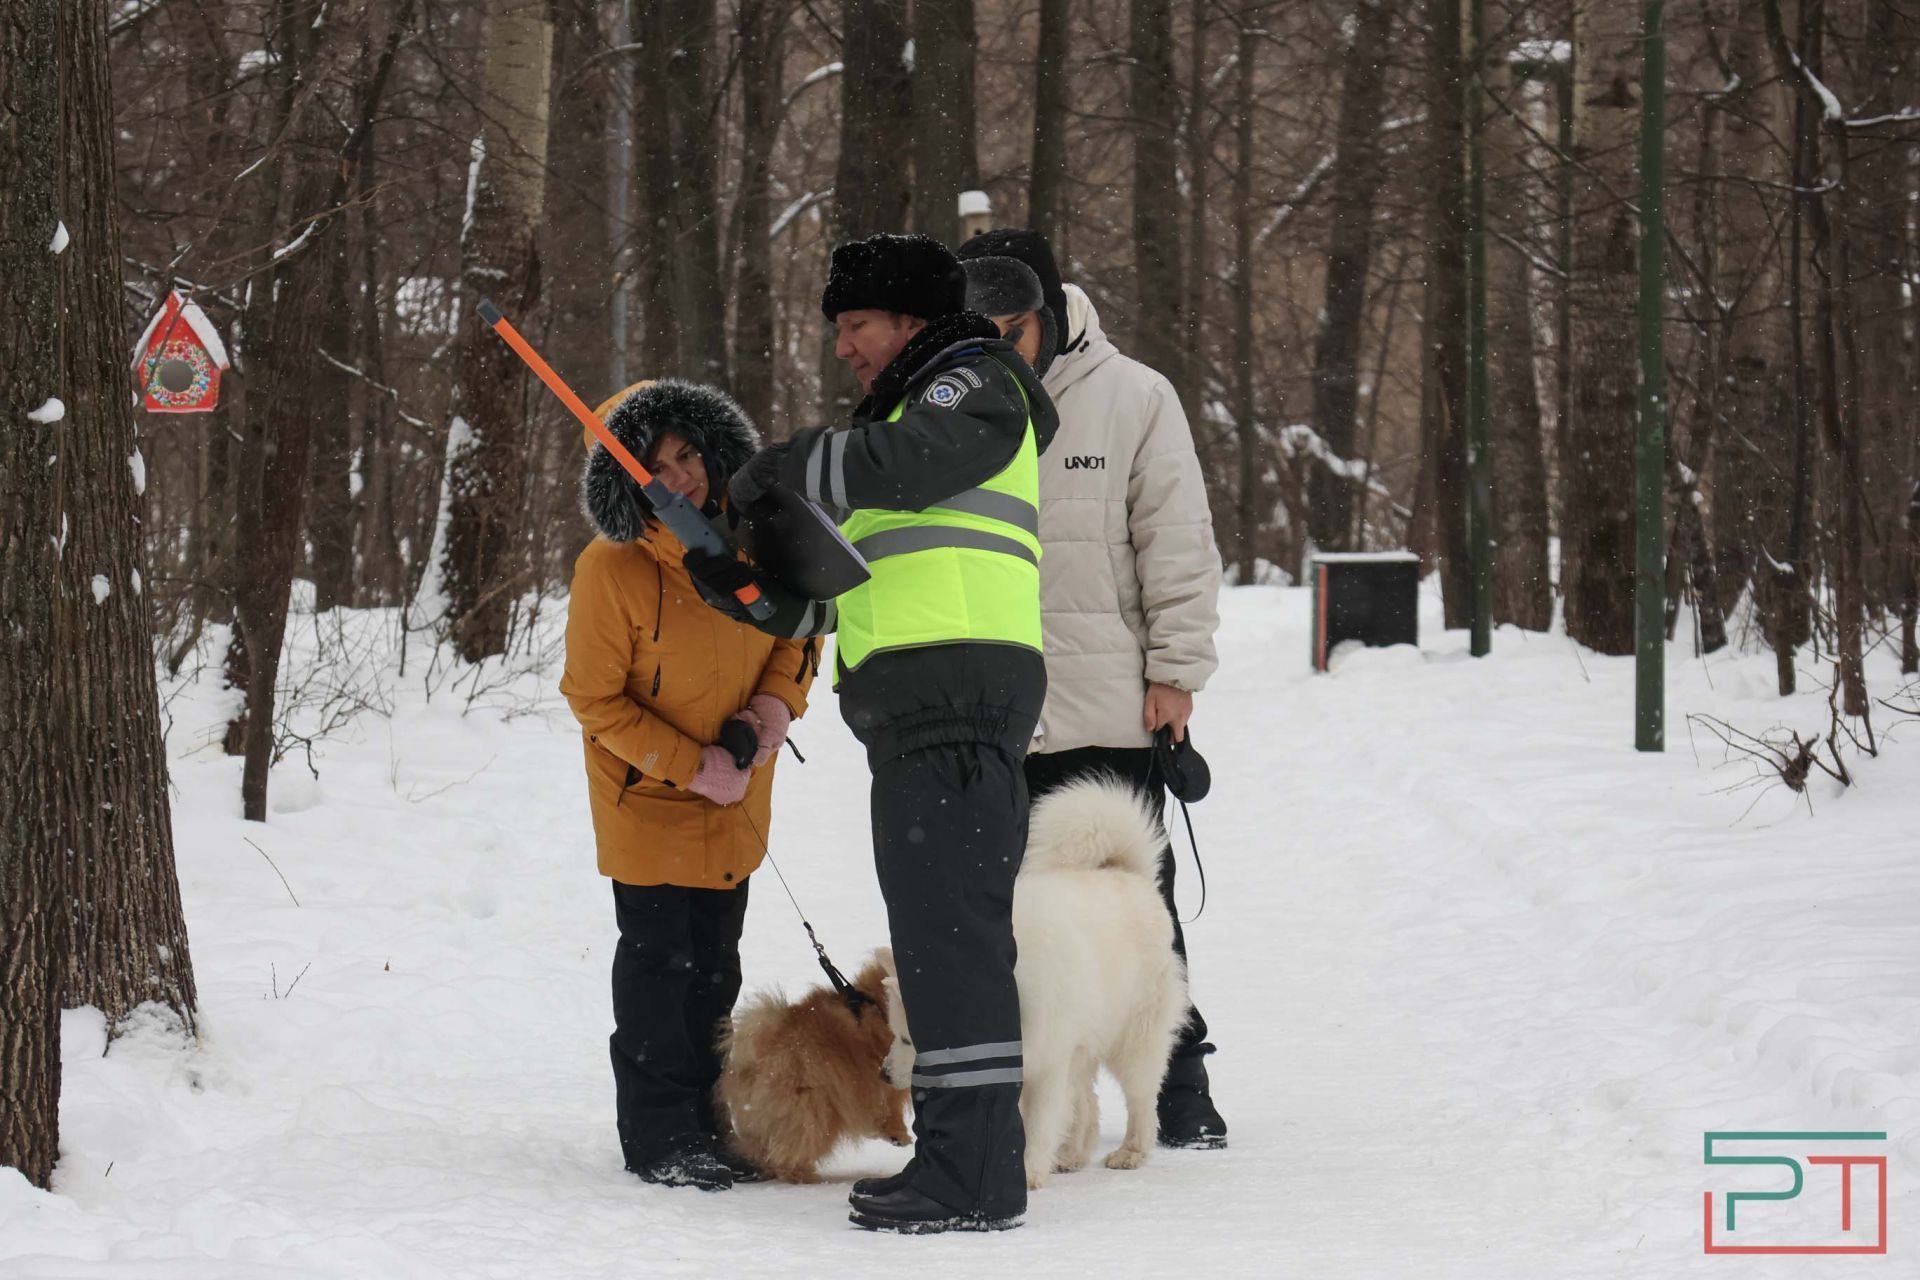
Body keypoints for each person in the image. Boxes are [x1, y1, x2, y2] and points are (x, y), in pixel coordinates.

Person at [722, 232, 1060, 1234]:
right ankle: (973, 1162)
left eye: (854, 324)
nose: (842, 348)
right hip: (921, 701)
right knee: (941, 938)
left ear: (911, 319)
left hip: (957, 694)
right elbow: (843, 597)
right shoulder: (906, 426)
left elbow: (903, 466)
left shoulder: (973, 386)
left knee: (950, 940)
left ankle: (970, 1170)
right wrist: (741, 580)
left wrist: (788, 462)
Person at [957, 229, 1229, 1150]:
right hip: (998, 709)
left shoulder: (1134, 397)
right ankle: (1041, 1107)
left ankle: (1178, 1089)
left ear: (1049, 313)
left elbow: (1176, 538)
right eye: (980, 328)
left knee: (1135, 910)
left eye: (1012, 326)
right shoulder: (955, 402)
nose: (999, 344)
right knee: (1014, 920)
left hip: (1108, 701)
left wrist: (1176, 673)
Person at [559, 379, 816, 1193]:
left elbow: (798, 638)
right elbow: (593, 698)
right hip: (649, 799)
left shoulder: (754, 543)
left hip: (738, 797)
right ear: (628, 481)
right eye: (654, 465)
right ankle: (660, 1133)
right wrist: (689, 764)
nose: (678, 477)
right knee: (658, 972)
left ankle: (710, 1121)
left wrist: (770, 714)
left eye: (687, 455)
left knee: (717, 969)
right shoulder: (612, 569)